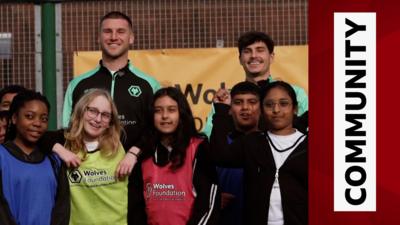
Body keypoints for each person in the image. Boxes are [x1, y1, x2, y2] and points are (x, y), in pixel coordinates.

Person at [62, 11, 160, 155]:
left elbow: (155, 131)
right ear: (98, 38)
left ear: (131, 38)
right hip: (88, 173)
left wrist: (133, 155)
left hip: (134, 171)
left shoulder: (150, 85)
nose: (114, 37)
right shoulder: (77, 84)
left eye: (121, 31)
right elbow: (68, 130)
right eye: (108, 31)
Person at [209, 81, 308, 225]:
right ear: (262, 109)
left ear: (295, 108)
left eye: (284, 103)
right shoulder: (252, 143)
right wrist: (221, 110)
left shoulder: (312, 147)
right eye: (269, 104)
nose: (276, 110)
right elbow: (220, 155)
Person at [129, 87, 219, 225]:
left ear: (181, 113)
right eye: (158, 111)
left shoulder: (198, 148)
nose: (165, 116)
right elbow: (136, 208)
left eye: (171, 110)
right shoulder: (144, 154)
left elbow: (209, 203)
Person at [42, 89, 128, 225]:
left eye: (105, 115)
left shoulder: (120, 142)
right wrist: (60, 150)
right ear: (82, 110)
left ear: (111, 121)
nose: (98, 119)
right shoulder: (65, 140)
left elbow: (150, 138)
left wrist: (133, 154)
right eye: (92, 111)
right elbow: (37, 137)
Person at [203, 31, 308, 136]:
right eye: (247, 51)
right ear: (240, 59)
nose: (253, 55)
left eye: (260, 50)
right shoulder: (227, 99)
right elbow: (209, 136)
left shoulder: (295, 93)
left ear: (271, 57)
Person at [0, 90, 69, 225]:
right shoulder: (2, 156)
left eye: (44, 119)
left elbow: (62, 208)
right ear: (14, 118)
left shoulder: (54, 161)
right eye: (29, 116)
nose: (37, 123)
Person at [213, 81, 261, 225]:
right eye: (238, 102)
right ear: (229, 108)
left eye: (252, 102)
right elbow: (198, 188)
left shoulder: (271, 144)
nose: (245, 107)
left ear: (262, 107)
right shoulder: (218, 144)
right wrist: (213, 198)